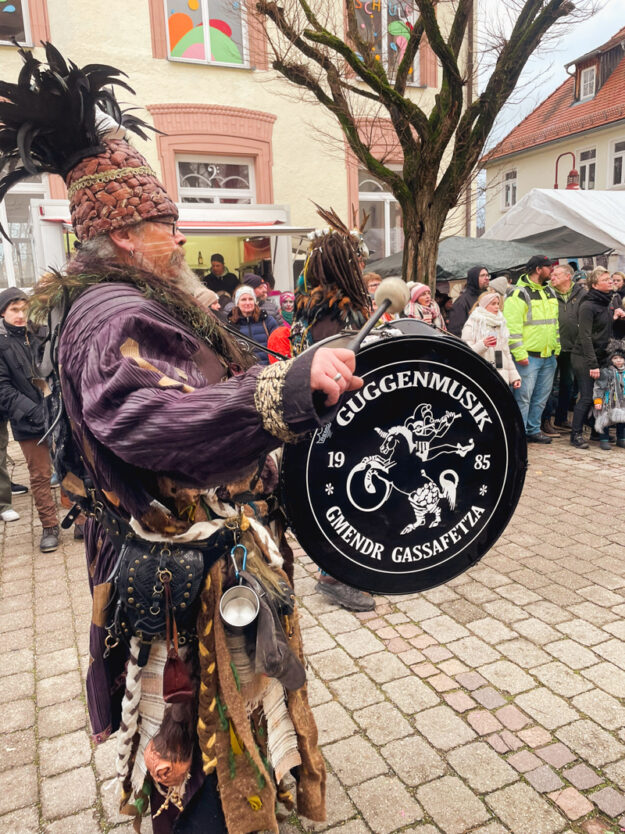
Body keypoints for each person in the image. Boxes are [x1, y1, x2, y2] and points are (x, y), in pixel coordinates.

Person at [3, 44, 366, 834]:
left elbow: (193, 389)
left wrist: (293, 382)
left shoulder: (133, 300)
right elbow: (148, 421)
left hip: (202, 563)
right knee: (194, 741)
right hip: (185, 576)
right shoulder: (111, 312)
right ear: (125, 236)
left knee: (228, 718)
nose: (180, 232)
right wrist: (286, 391)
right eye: (166, 222)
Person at [292, 207, 375, 612]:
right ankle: (334, 575)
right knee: (340, 497)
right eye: (356, 260)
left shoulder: (325, 308)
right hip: (337, 422)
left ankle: (343, 570)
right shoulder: (331, 316)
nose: (362, 267)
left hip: (340, 419)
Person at [0, 288, 60, 549]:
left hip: (56, 413)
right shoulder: (2, 344)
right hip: (28, 421)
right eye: (14, 310)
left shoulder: (41, 334)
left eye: (24, 309)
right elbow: (3, 389)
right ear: (2, 313)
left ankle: (81, 520)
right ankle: (49, 526)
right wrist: (34, 412)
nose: (21, 315)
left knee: (70, 468)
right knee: (40, 475)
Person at [503, 255, 560, 443]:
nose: (552, 270)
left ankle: (532, 430)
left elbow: (554, 323)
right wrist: (519, 354)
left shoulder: (549, 291)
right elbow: (512, 327)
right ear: (538, 269)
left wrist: (556, 347)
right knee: (523, 398)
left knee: (540, 398)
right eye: (549, 267)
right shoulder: (518, 294)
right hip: (528, 357)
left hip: (548, 356)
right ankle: (518, 433)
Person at [570, 267, 625, 448]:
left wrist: (615, 317)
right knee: (587, 396)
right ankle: (576, 435)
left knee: (600, 396)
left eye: (610, 279)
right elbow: (585, 337)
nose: (610, 281)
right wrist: (593, 364)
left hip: (602, 355)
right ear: (594, 284)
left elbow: (601, 328)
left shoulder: (607, 301)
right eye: (605, 279)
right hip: (584, 356)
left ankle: (596, 431)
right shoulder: (587, 305)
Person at [541, 262, 586, 436]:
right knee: (548, 385)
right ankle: (545, 421)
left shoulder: (581, 293)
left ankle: (561, 418)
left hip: (573, 346)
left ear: (568, 276)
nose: (552, 277)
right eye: (552, 274)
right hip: (553, 346)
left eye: (556, 275)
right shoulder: (547, 292)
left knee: (568, 383)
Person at [461, 292, 521, 388]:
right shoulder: (472, 324)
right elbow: (465, 354)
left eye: (498, 303)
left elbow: (506, 354)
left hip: (500, 377)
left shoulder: (500, 323)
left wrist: (514, 378)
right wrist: (483, 345)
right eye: (493, 304)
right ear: (484, 305)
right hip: (480, 377)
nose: (497, 306)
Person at [227, 285, 279, 366]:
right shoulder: (231, 325)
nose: (247, 303)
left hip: (268, 369)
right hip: (245, 371)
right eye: (243, 299)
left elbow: (278, 347)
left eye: (250, 299)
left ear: (255, 301)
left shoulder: (267, 321)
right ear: (237, 303)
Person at [592, 338, 625, 451]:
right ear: (610, 360)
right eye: (615, 358)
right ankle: (604, 440)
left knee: (622, 419)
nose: (619, 360)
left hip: (622, 402)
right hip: (607, 401)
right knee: (605, 419)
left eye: (621, 358)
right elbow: (599, 387)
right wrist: (598, 400)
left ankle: (621, 439)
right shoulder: (606, 372)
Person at [447, 265, 490, 336]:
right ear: (474, 278)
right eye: (482, 275)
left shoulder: (487, 297)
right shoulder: (462, 302)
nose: (487, 278)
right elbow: (456, 331)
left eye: (487, 275)